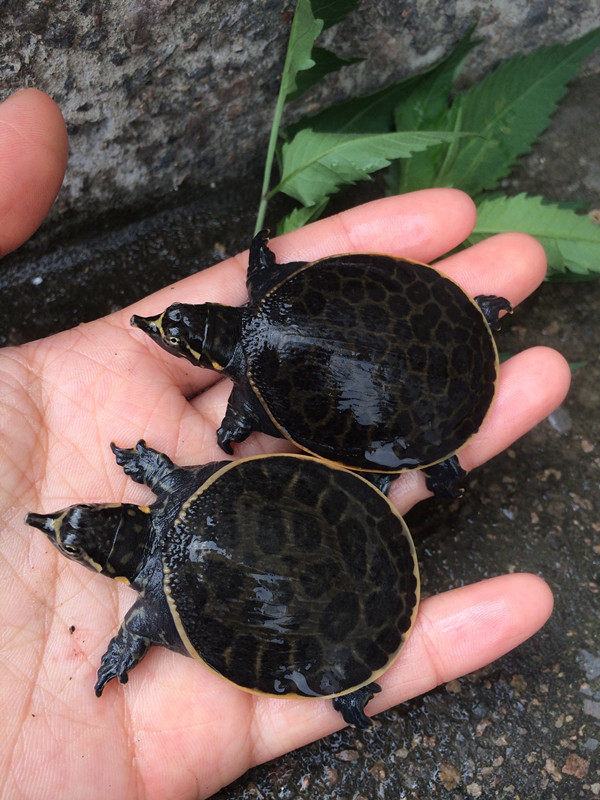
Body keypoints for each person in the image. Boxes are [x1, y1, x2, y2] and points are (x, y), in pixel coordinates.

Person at [0, 89, 570, 799]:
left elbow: (205, 468)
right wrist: (154, 461)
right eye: (75, 526)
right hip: (337, 507)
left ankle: (356, 655)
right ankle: (450, 388)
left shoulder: (156, 598)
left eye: (174, 333)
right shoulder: (183, 485)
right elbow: (182, 466)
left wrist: (120, 648)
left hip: (344, 542)